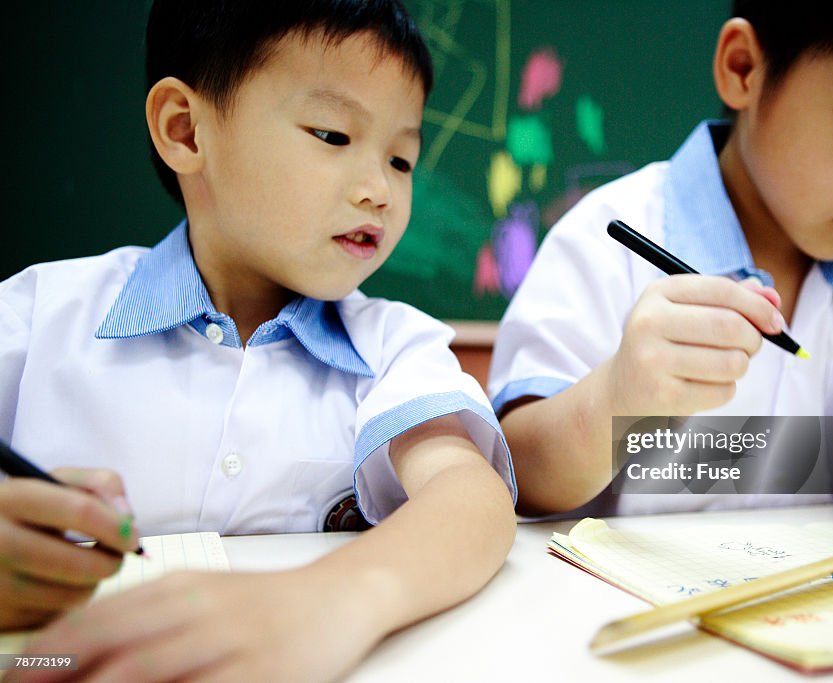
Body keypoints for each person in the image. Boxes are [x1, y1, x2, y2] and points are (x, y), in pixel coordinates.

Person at [0, 1, 516, 680]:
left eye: (401, 159)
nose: (379, 191)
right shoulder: (36, 316)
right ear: (185, 130)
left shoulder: (393, 343)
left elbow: (470, 498)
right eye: (333, 135)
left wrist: (328, 600)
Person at [490, 0, 833, 573]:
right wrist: (615, 397)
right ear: (744, 68)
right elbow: (519, 468)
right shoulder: (609, 236)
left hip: (814, 619)